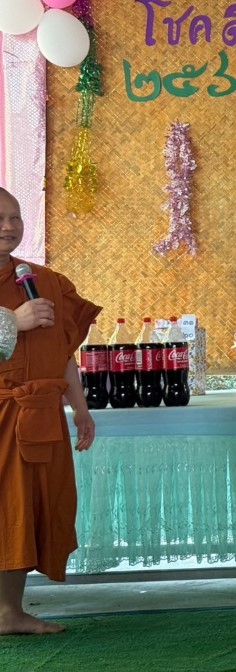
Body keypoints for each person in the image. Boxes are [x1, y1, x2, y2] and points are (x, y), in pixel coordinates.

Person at [0, 188, 99, 635]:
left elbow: (62, 353)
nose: (9, 227)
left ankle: (9, 612)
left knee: (28, 510)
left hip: (39, 416)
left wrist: (81, 409)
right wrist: (12, 321)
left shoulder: (45, 282)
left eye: (15, 217)